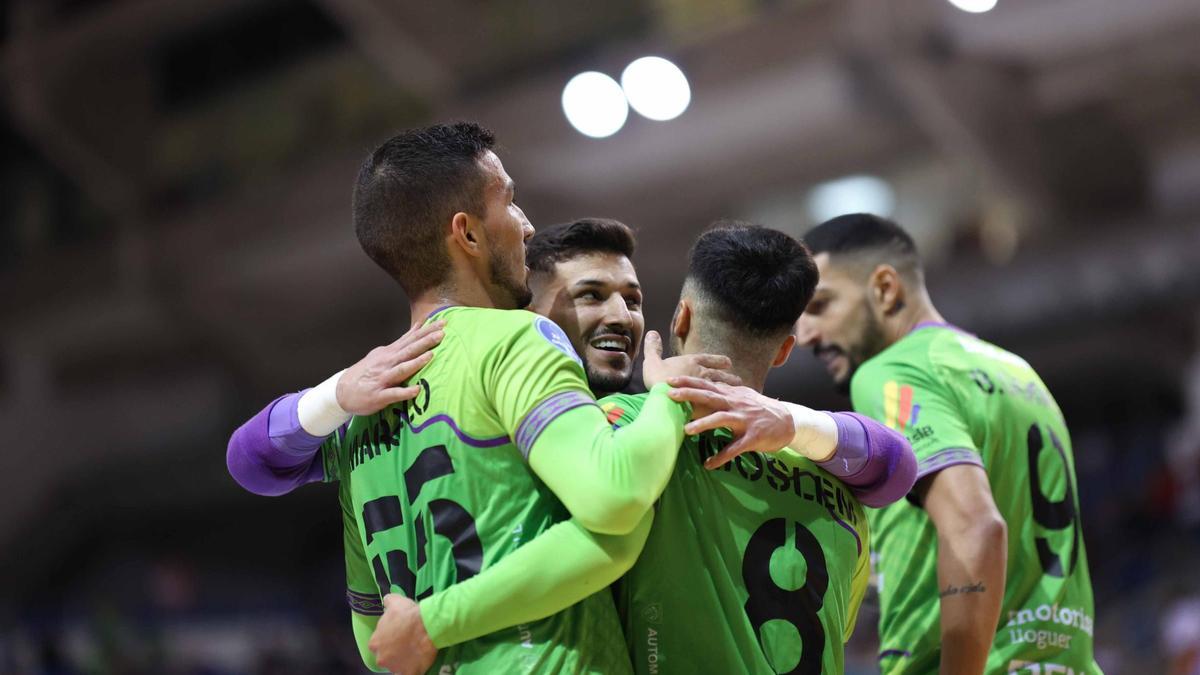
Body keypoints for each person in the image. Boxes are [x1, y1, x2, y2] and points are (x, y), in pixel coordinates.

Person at [226, 122, 738, 673]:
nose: (526, 225)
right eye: (511, 203)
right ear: (467, 234)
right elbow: (614, 502)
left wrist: (337, 394)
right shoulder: (515, 337)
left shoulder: (360, 414)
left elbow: (377, 639)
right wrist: (666, 396)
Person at [367, 222, 917, 674]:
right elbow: (897, 469)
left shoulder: (623, 437)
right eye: (589, 296)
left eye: (632, 299)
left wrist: (429, 622)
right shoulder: (836, 481)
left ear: (678, 318)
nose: (618, 315)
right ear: (784, 351)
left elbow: (585, 550)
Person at [796, 213, 1099, 674]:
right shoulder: (1018, 372)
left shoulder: (892, 371)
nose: (806, 336)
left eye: (820, 306)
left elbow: (978, 528)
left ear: (884, 289)